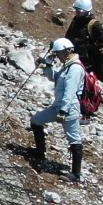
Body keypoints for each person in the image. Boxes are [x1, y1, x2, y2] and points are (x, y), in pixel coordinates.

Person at [30, 38, 86, 184]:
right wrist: (47, 66)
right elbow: (54, 78)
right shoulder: (67, 65)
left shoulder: (75, 68)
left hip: (68, 108)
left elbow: (70, 91)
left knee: (74, 138)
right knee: (36, 120)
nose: (58, 56)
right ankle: (39, 152)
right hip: (59, 106)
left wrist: (63, 111)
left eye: (59, 53)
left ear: (67, 51)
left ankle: (76, 174)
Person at [64, 0, 103, 82]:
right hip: (74, 58)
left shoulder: (94, 24)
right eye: (76, 10)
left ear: (86, 11)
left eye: (79, 11)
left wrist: (89, 47)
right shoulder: (75, 20)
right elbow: (68, 36)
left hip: (89, 64)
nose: (77, 12)